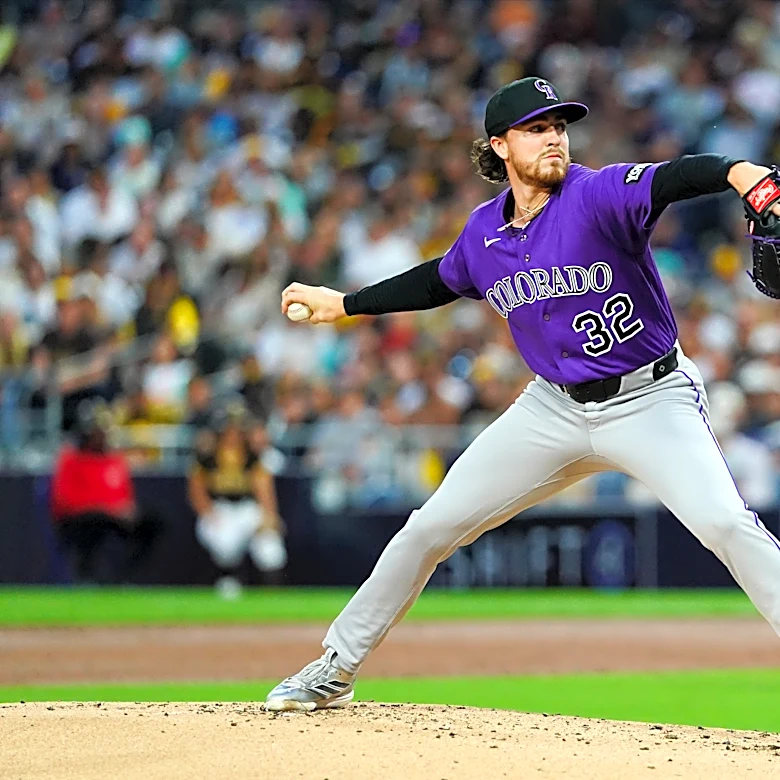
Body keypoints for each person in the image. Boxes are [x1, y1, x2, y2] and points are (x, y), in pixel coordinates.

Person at [263, 77, 780, 712]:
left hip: (651, 400)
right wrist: (343, 304)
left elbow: (674, 178)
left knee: (726, 523)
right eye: (537, 129)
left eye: (559, 127)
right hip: (552, 409)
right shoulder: (483, 233)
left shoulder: (595, 195)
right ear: (500, 146)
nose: (555, 138)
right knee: (428, 528)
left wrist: (740, 172)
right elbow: (436, 281)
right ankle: (334, 668)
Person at [50, 401, 159, 584]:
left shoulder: (113, 460)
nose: (100, 437)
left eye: (102, 432)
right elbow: (65, 500)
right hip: (79, 519)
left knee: (153, 522)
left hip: (113, 516)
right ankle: (86, 577)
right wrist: (105, 508)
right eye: (96, 432)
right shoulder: (71, 459)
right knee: (93, 522)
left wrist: (126, 509)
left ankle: (124, 576)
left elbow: (124, 493)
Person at [188, 399, 287, 597]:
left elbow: (263, 487)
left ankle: (273, 594)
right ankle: (229, 582)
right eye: (229, 426)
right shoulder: (208, 454)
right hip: (220, 507)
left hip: (247, 508)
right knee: (225, 543)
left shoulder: (252, 454)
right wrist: (207, 512)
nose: (233, 432)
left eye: (237, 427)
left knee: (269, 545)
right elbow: (196, 488)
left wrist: (269, 515)